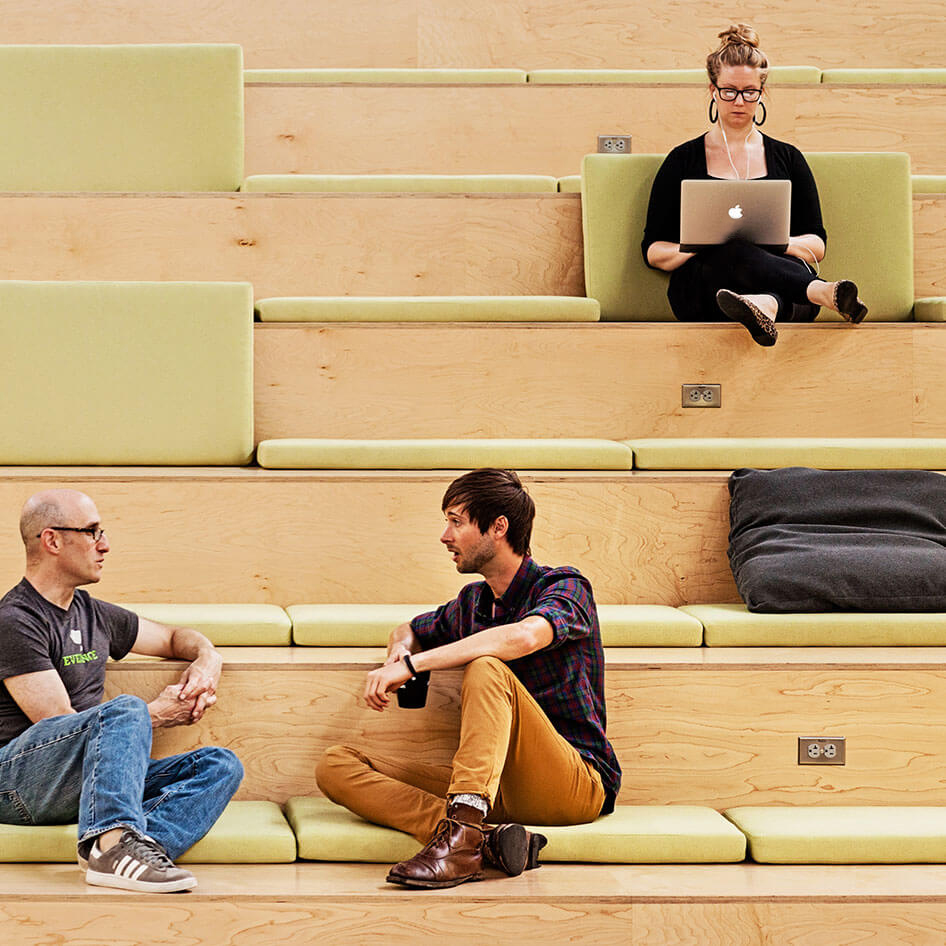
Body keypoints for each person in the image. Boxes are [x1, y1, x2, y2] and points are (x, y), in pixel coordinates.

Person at [317, 468, 621, 889]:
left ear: (499, 528)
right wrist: (400, 652)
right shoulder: (473, 603)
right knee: (336, 765)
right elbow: (410, 628)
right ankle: (485, 840)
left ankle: (460, 842)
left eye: (456, 521)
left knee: (487, 666)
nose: (445, 535)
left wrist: (413, 667)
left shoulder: (564, 586)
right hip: (491, 789)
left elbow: (522, 636)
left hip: (574, 782)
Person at [0, 489, 244, 893]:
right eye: (92, 532)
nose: (105, 544)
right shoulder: (14, 620)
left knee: (219, 765)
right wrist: (159, 714)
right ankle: (113, 846)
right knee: (126, 708)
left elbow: (173, 638)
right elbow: (61, 726)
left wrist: (207, 657)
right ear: (53, 540)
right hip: (15, 782)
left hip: (86, 778)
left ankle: (138, 848)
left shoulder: (92, 613)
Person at [642, 24, 868, 347]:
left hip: (789, 299)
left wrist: (777, 243)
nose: (739, 102)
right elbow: (653, 250)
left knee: (753, 260)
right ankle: (822, 291)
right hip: (705, 290)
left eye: (750, 92)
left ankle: (765, 305)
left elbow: (817, 243)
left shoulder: (788, 159)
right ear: (712, 90)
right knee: (732, 251)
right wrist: (698, 245)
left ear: (762, 92)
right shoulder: (682, 161)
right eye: (729, 91)